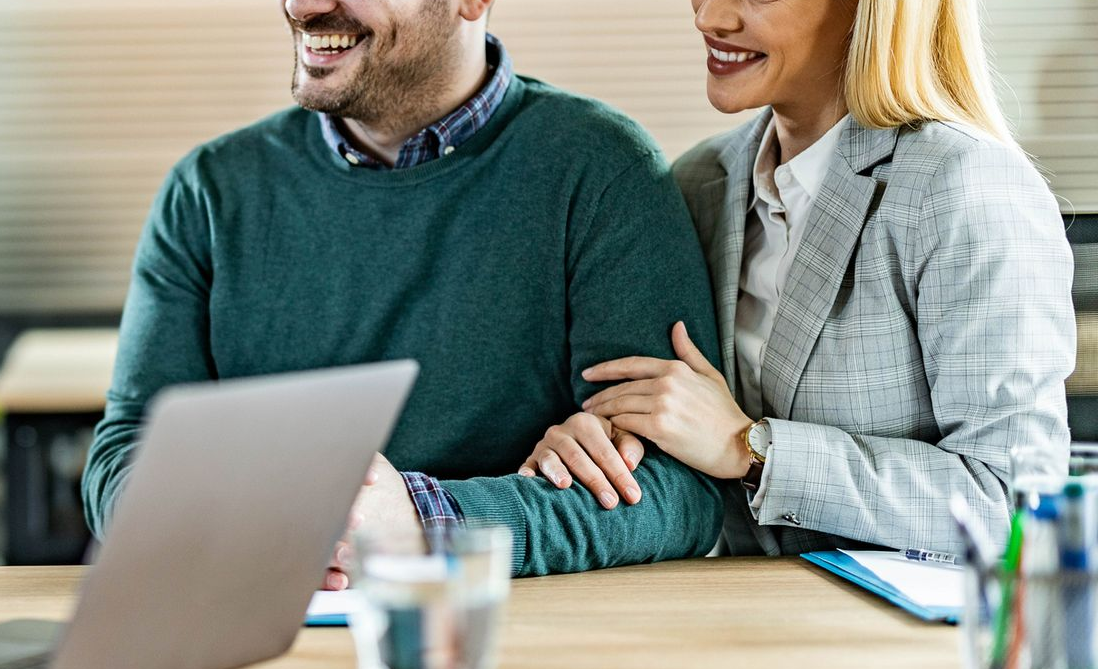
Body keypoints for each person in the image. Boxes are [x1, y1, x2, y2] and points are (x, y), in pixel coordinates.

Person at [81, 0, 724, 587]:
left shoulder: (600, 170)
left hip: (497, 647)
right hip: (256, 632)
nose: (303, 7)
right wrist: (234, 523)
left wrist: (428, 523)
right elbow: (126, 450)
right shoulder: (209, 191)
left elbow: (679, 491)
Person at [518, 0, 1075, 555]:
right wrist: (599, 444)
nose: (709, 17)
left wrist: (752, 450)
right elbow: (679, 439)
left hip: (904, 635)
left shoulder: (963, 186)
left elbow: (1013, 503)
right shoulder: (701, 183)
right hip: (733, 618)